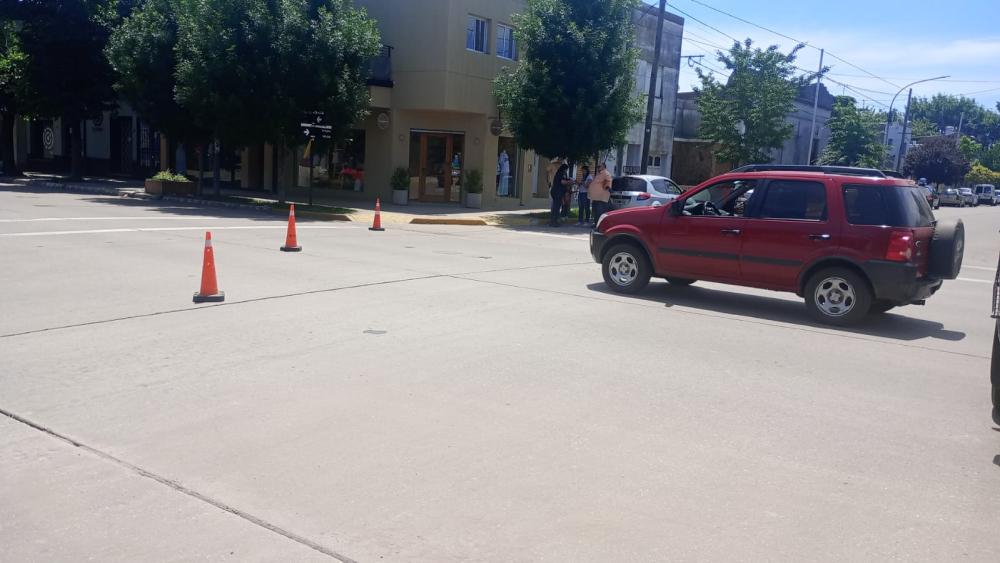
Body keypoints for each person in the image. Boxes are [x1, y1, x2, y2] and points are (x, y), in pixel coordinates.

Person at [549, 159, 573, 227]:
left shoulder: (561, 173)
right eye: (566, 169)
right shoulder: (560, 173)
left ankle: (554, 221)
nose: (566, 171)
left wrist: (569, 180)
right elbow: (562, 182)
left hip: (557, 192)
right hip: (557, 192)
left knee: (556, 207)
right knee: (556, 207)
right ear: (564, 169)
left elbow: (565, 180)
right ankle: (553, 222)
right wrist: (569, 182)